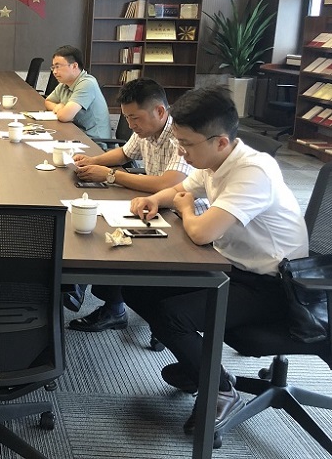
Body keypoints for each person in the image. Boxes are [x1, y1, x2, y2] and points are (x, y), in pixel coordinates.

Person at [122, 85, 308, 435]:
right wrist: (157, 199)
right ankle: (199, 367)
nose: (181, 151)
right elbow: (180, 190)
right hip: (231, 266)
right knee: (136, 288)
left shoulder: (253, 172)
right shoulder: (212, 160)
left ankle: (220, 389)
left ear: (220, 141)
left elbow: (200, 232)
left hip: (275, 286)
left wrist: (185, 208)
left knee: (173, 315)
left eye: (187, 144)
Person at [69, 78, 207, 332]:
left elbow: (169, 183)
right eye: (127, 118)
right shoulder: (146, 130)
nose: (131, 125)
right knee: (102, 225)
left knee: (114, 240)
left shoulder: (181, 135)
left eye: (135, 118)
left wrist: (111, 175)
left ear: (160, 111)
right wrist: (93, 160)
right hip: (158, 205)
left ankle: (112, 306)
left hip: (185, 216)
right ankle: (82, 287)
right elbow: (124, 153)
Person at [43, 45, 110, 140]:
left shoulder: (87, 83)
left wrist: (62, 110)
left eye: (58, 67)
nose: (54, 72)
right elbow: (48, 101)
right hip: (76, 133)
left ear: (74, 66)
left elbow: (64, 116)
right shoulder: (65, 83)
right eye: (53, 67)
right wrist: (58, 107)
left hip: (94, 141)